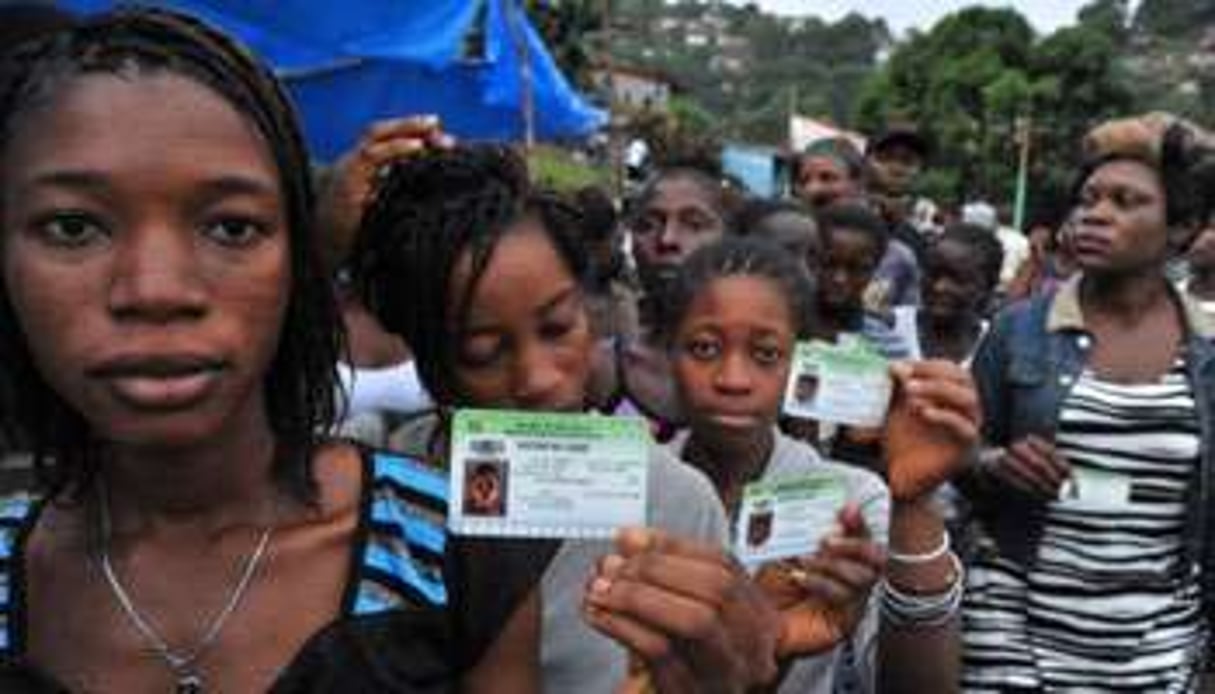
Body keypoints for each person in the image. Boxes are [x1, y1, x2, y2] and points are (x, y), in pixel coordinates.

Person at [0, 9, 547, 692]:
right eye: (74, 226)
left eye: (231, 227)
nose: (155, 290)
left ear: (300, 260)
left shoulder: (460, 553)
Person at [349, 145, 780, 693]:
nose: (538, 379)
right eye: (483, 352)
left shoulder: (674, 503)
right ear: (429, 365)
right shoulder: (375, 476)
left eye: (556, 328)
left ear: (588, 310)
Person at [959, 115, 1215, 691]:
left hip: (1155, 640)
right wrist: (994, 465)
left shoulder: (1209, 359)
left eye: (1127, 202)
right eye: (1089, 199)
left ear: (1182, 227)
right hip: (1013, 624)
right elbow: (955, 453)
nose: (1095, 214)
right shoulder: (1016, 331)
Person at [664, 237, 979, 692]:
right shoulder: (633, 489)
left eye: (766, 354)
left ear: (798, 364)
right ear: (666, 354)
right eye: (705, 348)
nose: (733, 380)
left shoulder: (849, 502)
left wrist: (914, 505)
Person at [589, 165, 737, 441]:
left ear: (729, 239)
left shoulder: (770, 369)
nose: (667, 240)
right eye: (647, 225)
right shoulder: (600, 369)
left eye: (694, 224)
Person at [916, 223, 1005, 365]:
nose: (939, 287)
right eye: (933, 273)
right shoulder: (889, 327)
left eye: (957, 280)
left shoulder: (998, 347)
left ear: (988, 287)